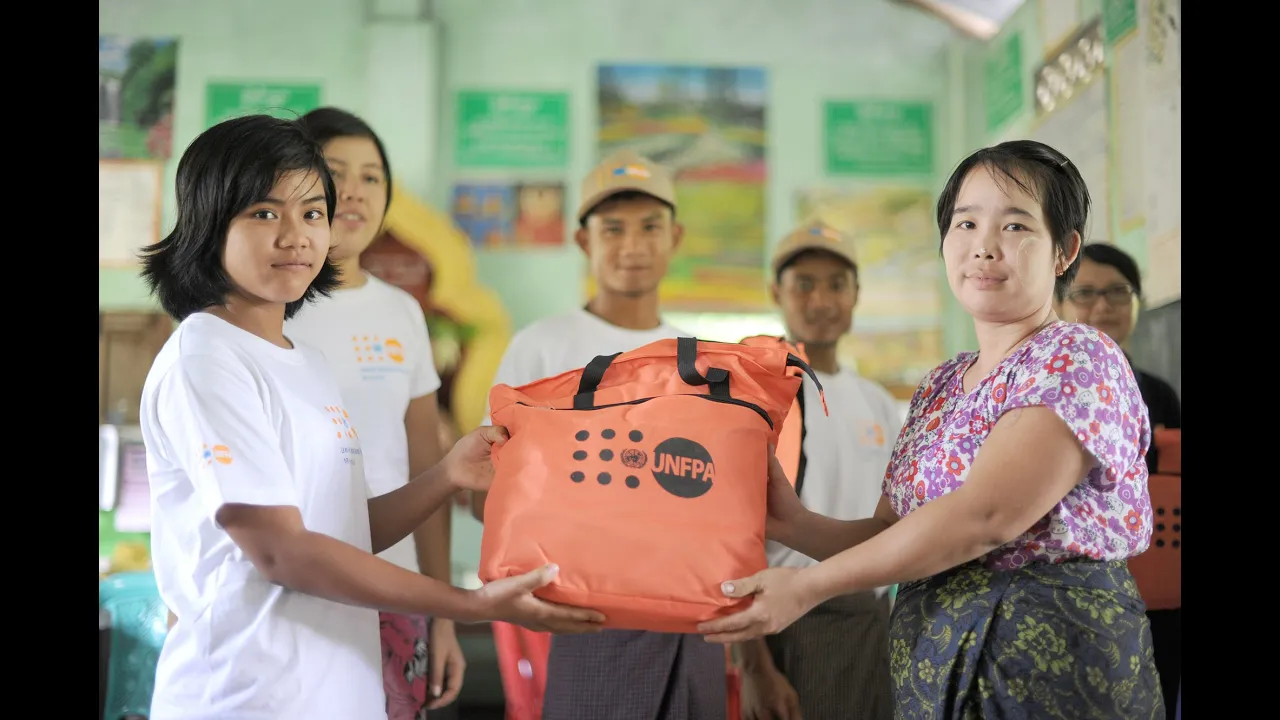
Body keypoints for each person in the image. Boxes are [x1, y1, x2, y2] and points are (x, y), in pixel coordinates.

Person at [136, 114, 604, 720]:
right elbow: (283, 551)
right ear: (207, 222)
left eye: (311, 214)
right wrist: (468, 603)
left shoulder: (303, 360)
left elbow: (341, 529)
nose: (295, 236)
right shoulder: (206, 356)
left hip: (337, 692)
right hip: (243, 695)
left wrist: (447, 476)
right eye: (263, 213)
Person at [698, 140, 1164, 719]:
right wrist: (792, 523)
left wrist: (808, 587)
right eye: (966, 223)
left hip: (1046, 672)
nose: (985, 247)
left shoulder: (1076, 356)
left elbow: (985, 517)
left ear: (1064, 250)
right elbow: (892, 532)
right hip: (934, 668)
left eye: (1016, 225)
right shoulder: (942, 385)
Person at [473, 149, 727, 720]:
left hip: (689, 615)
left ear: (675, 236)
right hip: (580, 617)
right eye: (612, 229)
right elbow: (484, 493)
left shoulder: (702, 360)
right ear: (584, 241)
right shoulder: (539, 348)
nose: (632, 246)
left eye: (649, 227)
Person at [281, 106, 465, 717]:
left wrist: (442, 613)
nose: (356, 192)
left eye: (373, 177)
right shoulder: (266, 308)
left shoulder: (402, 313)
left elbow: (427, 468)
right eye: (336, 172)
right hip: (294, 587)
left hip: (396, 584)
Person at [735, 221, 901, 720]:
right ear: (776, 292)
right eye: (804, 284)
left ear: (856, 295)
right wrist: (755, 667)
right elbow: (730, 534)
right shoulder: (756, 391)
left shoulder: (875, 400)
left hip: (871, 620)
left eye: (836, 284)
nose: (822, 300)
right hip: (789, 623)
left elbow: (894, 523)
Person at [1062, 241, 1181, 713]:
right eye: (1085, 292)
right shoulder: (1048, 387)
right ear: (1060, 301)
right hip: (1081, 591)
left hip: (1159, 589)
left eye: (1118, 291)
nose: (1102, 306)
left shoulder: (1159, 392)